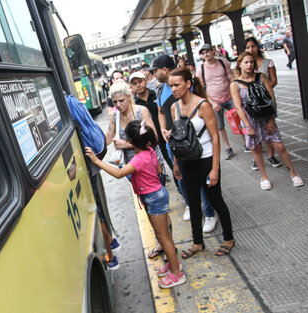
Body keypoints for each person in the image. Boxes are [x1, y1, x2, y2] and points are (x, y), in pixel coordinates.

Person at [85, 120, 186, 288]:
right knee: (164, 234)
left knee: (162, 236)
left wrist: (96, 161)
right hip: (156, 195)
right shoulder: (150, 151)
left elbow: (118, 173)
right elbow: (159, 171)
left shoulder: (139, 159)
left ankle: (177, 273)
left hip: (153, 198)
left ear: (131, 142)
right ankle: (174, 263)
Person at [168, 67, 236, 258]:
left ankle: (228, 238)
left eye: (177, 84)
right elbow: (177, 138)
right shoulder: (175, 107)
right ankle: (197, 242)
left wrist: (215, 169)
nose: (173, 89)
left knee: (215, 200)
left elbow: (215, 137)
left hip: (206, 160)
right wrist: (175, 163)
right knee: (193, 202)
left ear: (188, 84)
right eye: (171, 85)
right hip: (186, 162)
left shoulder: (203, 105)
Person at [152, 55, 217, 232]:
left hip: (195, 145)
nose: (174, 88)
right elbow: (161, 112)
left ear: (165, 70)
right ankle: (190, 204)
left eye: (155, 70)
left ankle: (210, 213)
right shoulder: (159, 91)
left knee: (203, 182)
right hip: (174, 144)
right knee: (182, 178)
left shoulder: (186, 90)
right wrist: (165, 129)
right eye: (172, 86)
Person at [230, 52, 304, 190]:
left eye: (251, 62)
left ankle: (293, 173)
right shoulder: (235, 84)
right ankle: (264, 177)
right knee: (256, 149)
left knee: (280, 146)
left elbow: (271, 98)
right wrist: (248, 126)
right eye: (246, 62)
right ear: (239, 64)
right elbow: (238, 107)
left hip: (266, 118)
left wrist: (271, 119)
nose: (249, 65)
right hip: (249, 121)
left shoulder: (261, 77)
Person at [65, 94, 120, 271]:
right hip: (92, 161)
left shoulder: (63, 104)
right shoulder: (72, 100)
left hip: (88, 163)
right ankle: (112, 242)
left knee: (97, 212)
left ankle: (111, 257)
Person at [196, 43, 243, 159]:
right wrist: (212, 102)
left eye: (207, 51)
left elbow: (230, 78)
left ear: (213, 51)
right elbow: (201, 89)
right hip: (215, 101)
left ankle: (246, 143)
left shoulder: (223, 62)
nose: (205, 54)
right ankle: (228, 147)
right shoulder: (200, 69)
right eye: (203, 53)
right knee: (220, 126)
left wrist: (235, 93)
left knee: (239, 120)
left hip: (230, 97)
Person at [244, 37, 282, 170]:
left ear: (257, 47)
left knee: (270, 128)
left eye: (253, 46)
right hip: (251, 105)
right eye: (248, 47)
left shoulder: (267, 62)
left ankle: (271, 155)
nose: (251, 49)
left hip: (266, 102)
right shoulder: (245, 64)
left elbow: (274, 80)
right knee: (252, 131)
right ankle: (256, 158)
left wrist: (262, 90)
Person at [129, 71, 173, 174]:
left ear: (145, 81)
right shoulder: (134, 105)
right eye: (134, 83)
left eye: (140, 81)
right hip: (149, 142)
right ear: (131, 86)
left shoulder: (156, 94)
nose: (138, 85)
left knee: (173, 163)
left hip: (165, 134)